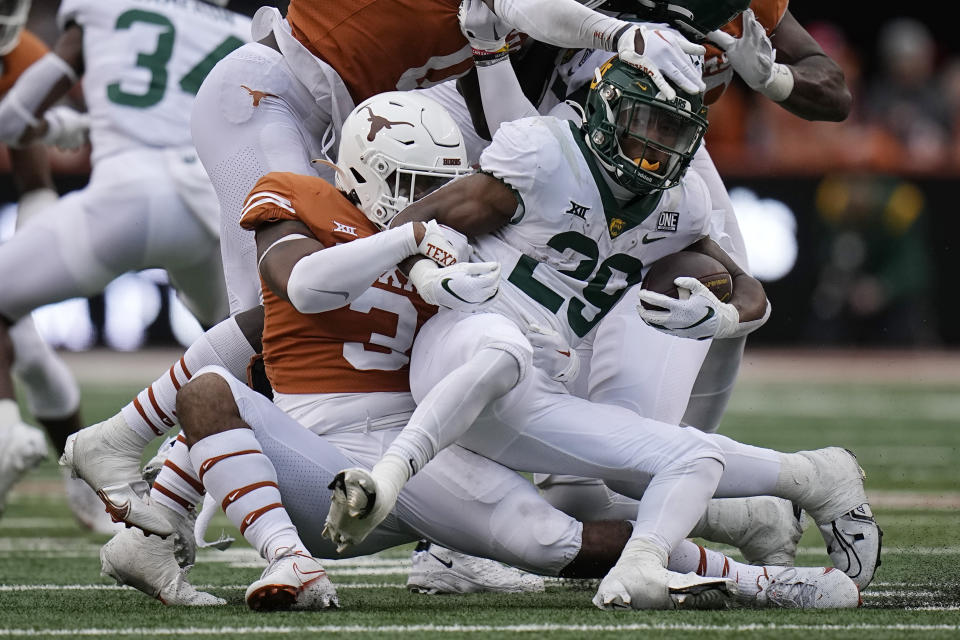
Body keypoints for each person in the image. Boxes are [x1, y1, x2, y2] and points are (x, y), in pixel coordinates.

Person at [98, 91, 859, 612]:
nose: (419, 195)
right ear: (357, 167)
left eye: (435, 183)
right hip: (321, 451)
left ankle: (760, 580)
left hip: (420, 443)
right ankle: (278, 557)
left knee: (558, 539)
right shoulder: (310, 206)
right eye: (405, 180)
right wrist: (405, 238)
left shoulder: (464, 242)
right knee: (210, 396)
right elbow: (286, 302)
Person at [322, 57, 880, 609]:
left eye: (675, 131)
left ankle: (802, 483)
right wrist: (431, 272)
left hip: (539, 396)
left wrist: (724, 317)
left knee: (683, 457)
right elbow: (416, 222)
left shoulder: (679, 204)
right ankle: (386, 481)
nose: (658, 146)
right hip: (461, 343)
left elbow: (747, 286)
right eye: (647, 123)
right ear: (606, 113)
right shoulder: (545, 154)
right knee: (505, 348)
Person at [0, 0, 251, 524]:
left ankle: (4, 428)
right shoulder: (247, 31)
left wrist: (51, 127)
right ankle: (196, 485)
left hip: (122, 202)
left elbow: (12, 118)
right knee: (250, 356)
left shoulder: (104, 5)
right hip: (207, 213)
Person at [0, 0, 102, 530]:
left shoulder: (24, 57)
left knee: (25, 344)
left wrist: (20, 274)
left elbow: (34, 184)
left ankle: (19, 441)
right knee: (31, 355)